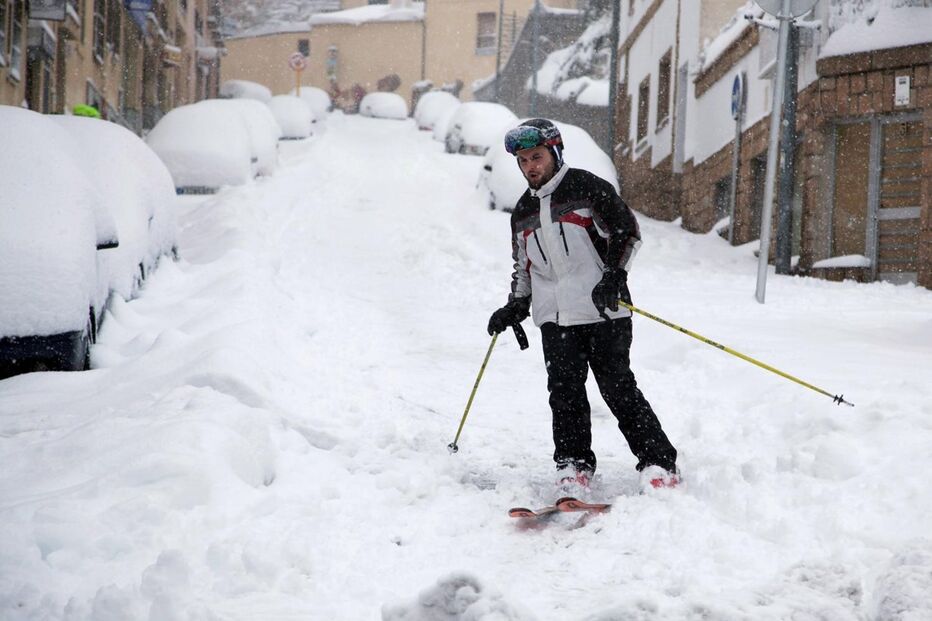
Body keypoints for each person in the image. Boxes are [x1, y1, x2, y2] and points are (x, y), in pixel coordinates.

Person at [487, 119, 679, 496]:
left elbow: (626, 232)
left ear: (555, 153)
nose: (531, 166)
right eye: (523, 161)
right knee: (564, 392)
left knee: (618, 388)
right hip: (555, 318)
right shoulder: (523, 211)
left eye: (537, 157)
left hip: (603, 310)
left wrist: (614, 276)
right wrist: (516, 305)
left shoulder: (588, 188)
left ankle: (658, 462)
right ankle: (573, 465)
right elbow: (523, 266)